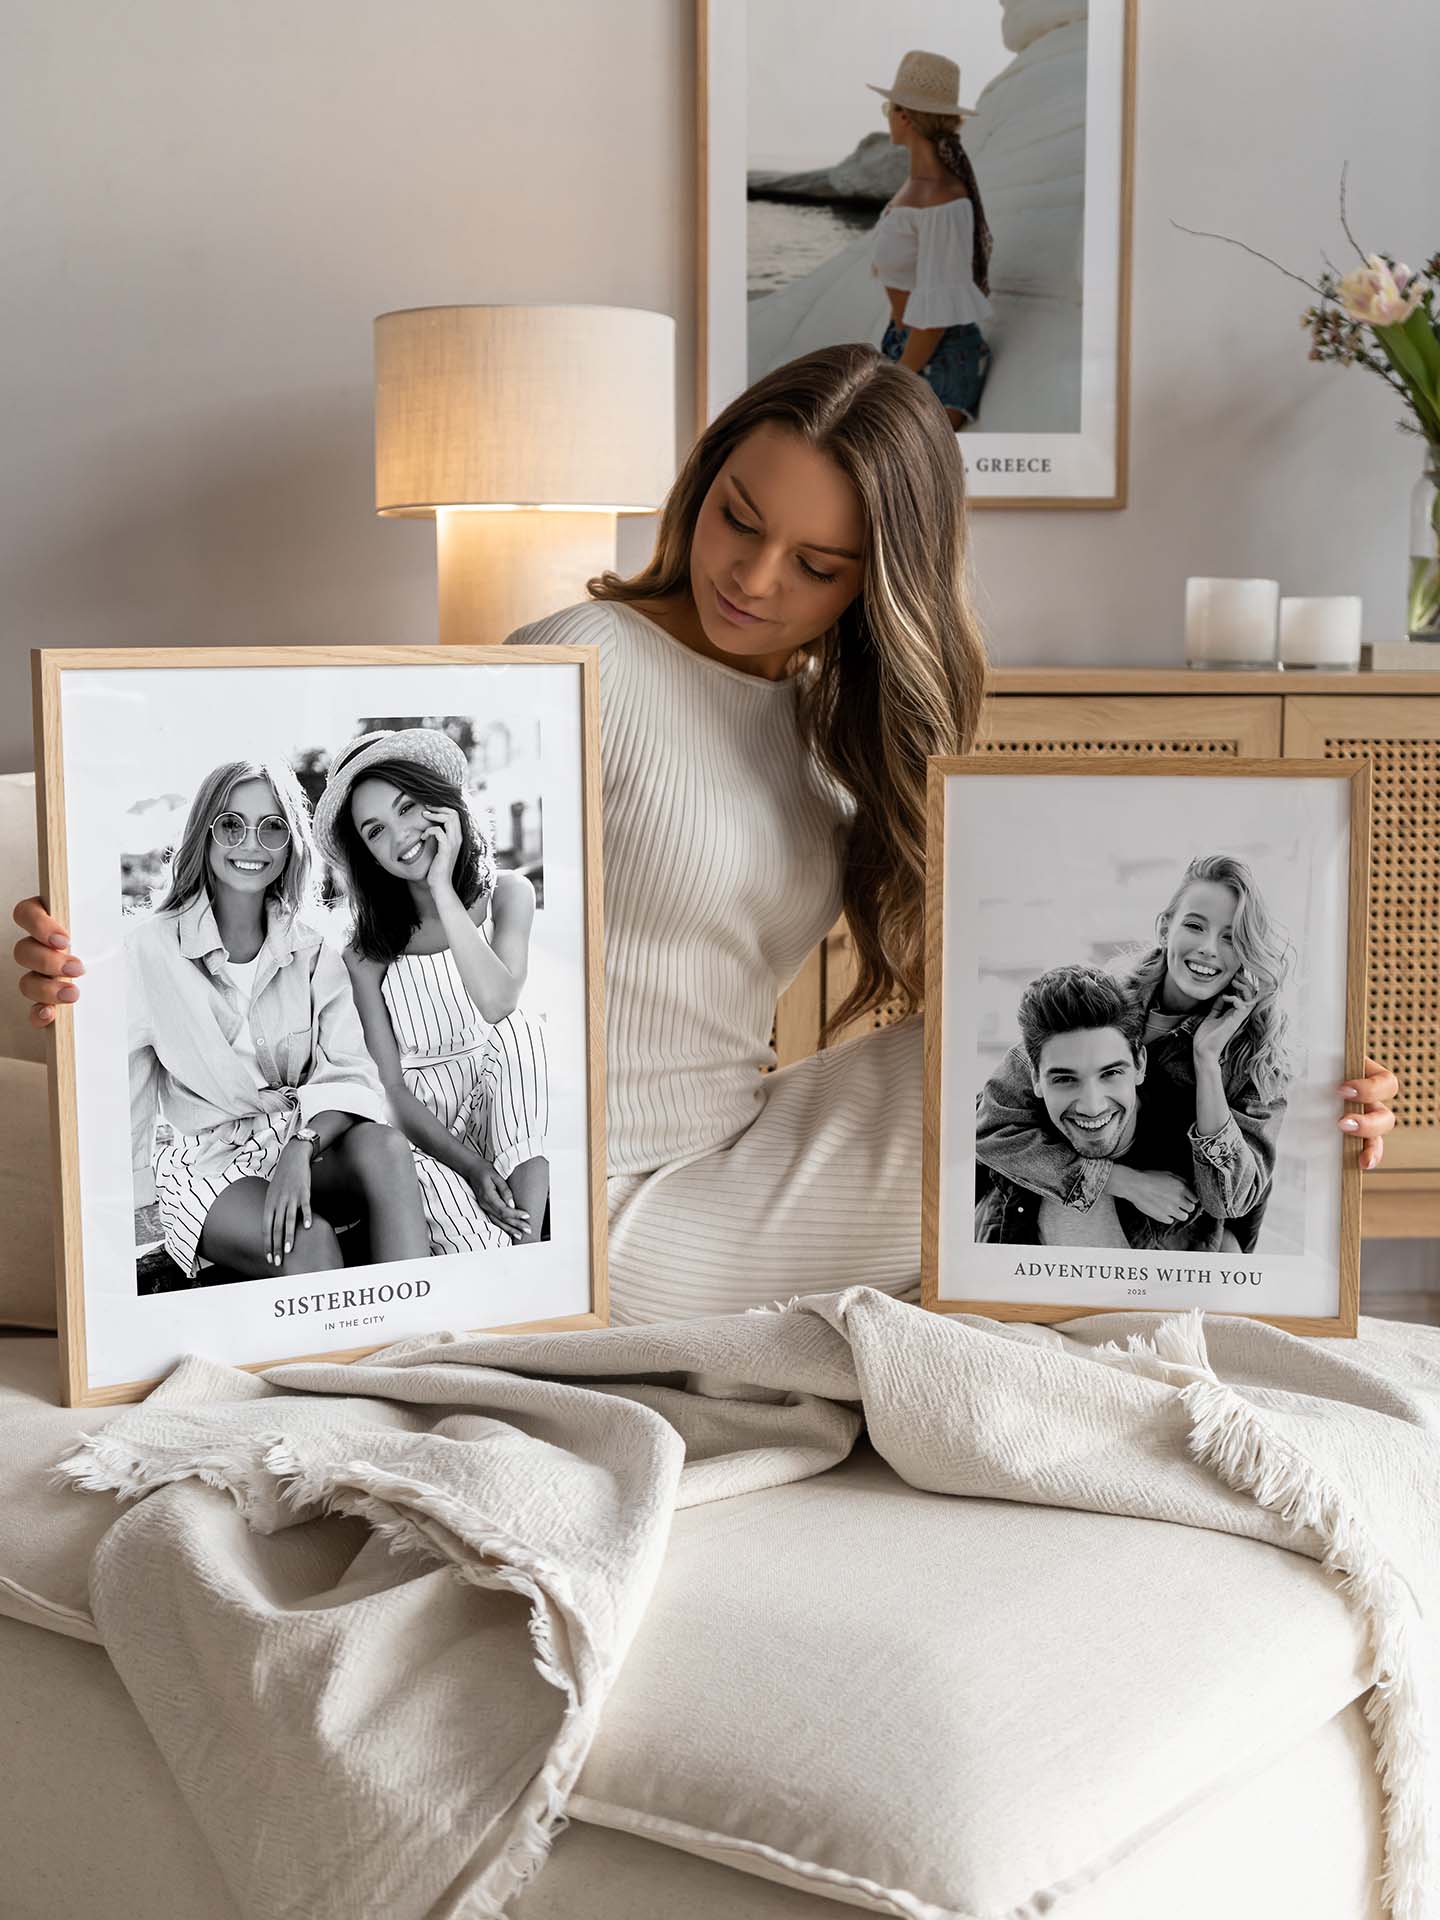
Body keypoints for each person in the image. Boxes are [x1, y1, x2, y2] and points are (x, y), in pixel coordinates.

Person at [12, 345, 1398, 1323]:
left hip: (730, 1151)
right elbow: (353, 920)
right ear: (703, 483)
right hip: (595, 1210)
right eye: (740, 518)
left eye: (818, 565)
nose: (753, 576)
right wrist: (104, 963)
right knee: (1010, 1140)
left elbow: (1030, 982)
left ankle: (1262, 1138)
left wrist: (1310, 1084)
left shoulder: (838, 733)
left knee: (1024, 1065)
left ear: (878, 584)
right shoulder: (582, 656)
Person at [123, 760, 432, 1283]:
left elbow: (352, 1072)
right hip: (210, 1162)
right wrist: (132, 1212)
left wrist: (300, 1145)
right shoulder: (147, 950)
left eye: (272, 828)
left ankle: (417, 1338)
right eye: (231, 825)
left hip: (301, 1137)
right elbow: (128, 1092)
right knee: (303, 1236)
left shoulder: (312, 947)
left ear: (290, 844)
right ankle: (330, 1364)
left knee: (384, 1146)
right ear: (205, 833)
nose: (252, 845)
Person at [976, 854, 1296, 1254]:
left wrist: (1208, 1060)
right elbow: (989, 1127)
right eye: (1195, 926)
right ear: (1166, 928)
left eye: (1231, 937)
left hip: (1170, 1254)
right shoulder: (1101, 1007)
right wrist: (1121, 1181)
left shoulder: (1256, 1058)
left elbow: (1231, 1200)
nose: (1209, 949)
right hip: (1038, 1234)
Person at [310, 728, 550, 1255]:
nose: (398, 837)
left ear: (441, 804)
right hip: (424, 1133)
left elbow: (497, 1002)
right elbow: (391, 1091)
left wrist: (442, 887)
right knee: (476, 1245)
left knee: (523, 1033)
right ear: (366, 854)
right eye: (375, 831)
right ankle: (503, 1269)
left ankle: (530, 1248)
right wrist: (469, 1165)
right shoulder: (364, 952)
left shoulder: (509, 894)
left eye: (407, 807)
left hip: (502, 1107)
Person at [974, 965, 1249, 1251]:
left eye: (1110, 1074)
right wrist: (1120, 1182)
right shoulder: (1003, 1160)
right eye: (1065, 1079)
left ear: (1140, 1065)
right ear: (1035, 1079)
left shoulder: (1191, 1175)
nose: (1092, 1106)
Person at [867, 50, 994, 430]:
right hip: (906, 347)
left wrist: (896, 380)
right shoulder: (919, 187)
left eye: (889, 107)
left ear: (904, 116)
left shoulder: (941, 199)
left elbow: (935, 321)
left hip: (937, 358)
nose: (888, 115)